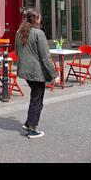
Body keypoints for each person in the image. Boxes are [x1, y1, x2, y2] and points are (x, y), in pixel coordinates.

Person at [16, 9, 56, 139]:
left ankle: (29, 123)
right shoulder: (39, 33)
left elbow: (17, 52)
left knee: (35, 97)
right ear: (35, 19)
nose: (41, 20)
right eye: (39, 18)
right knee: (37, 100)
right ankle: (32, 128)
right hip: (36, 72)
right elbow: (45, 56)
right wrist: (53, 74)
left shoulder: (19, 33)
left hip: (25, 70)